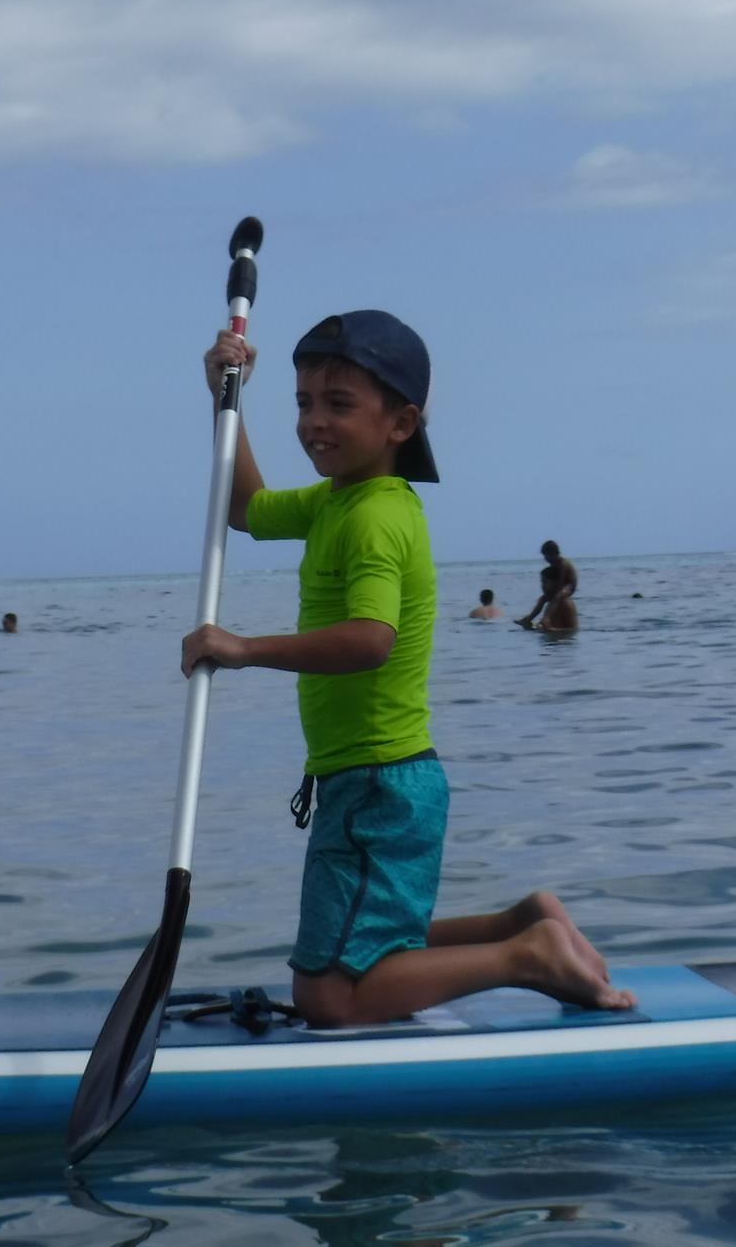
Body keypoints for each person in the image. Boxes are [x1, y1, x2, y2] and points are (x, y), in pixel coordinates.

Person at [181, 309, 632, 1027]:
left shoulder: (371, 518)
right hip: (378, 778)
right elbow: (243, 509)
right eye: (302, 402)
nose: (312, 423)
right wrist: (224, 398)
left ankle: (529, 959)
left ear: (400, 423)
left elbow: (368, 639)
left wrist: (242, 649)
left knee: (328, 995)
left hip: (375, 785)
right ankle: (520, 926)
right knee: (373, 947)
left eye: (338, 404)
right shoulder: (344, 499)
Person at [516, 541, 579, 631]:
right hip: (559, 586)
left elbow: (560, 580)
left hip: (569, 586)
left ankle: (546, 618)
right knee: (542, 599)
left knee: (557, 597)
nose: (546, 559)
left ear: (554, 553)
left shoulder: (563, 564)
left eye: (547, 556)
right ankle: (529, 618)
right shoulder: (553, 565)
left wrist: (553, 591)